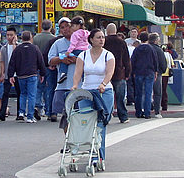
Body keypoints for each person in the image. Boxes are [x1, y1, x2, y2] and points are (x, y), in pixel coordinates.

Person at [72, 28, 115, 163]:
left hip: (104, 91)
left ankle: (99, 155)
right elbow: (78, 73)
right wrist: (75, 85)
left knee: (101, 123)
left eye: (103, 37)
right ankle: (86, 152)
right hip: (87, 91)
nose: (101, 40)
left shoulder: (108, 55)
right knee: (86, 122)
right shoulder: (83, 55)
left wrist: (103, 84)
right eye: (98, 37)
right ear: (91, 40)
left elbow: (109, 72)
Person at [8, 31, 46, 123]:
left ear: (21, 38)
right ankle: (30, 116)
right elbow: (40, 61)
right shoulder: (35, 48)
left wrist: (11, 75)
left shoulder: (17, 49)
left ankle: (21, 112)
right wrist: (42, 73)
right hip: (32, 74)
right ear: (31, 38)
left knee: (23, 94)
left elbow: (12, 62)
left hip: (21, 75)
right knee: (32, 95)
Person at [48, 17, 77, 121]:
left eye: (67, 26)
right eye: (62, 27)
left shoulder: (81, 42)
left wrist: (76, 60)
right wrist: (62, 58)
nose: (65, 29)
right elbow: (51, 60)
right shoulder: (58, 43)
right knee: (65, 115)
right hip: (63, 84)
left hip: (79, 84)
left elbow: (90, 58)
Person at [104, 23, 131, 123]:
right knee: (120, 97)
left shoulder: (104, 41)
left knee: (106, 96)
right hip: (119, 73)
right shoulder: (122, 42)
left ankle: (106, 115)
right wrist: (127, 73)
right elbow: (126, 60)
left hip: (105, 73)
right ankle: (123, 116)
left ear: (107, 31)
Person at [33, 19, 56, 119]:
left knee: (39, 87)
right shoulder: (54, 38)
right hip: (49, 66)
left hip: (38, 66)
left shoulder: (36, 38)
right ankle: (49, 110)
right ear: (51, 27)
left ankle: (37, 107)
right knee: (50, 88)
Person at [131, 31, 157, 119]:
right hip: (149, 72)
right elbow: (155, 61)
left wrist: (133, 72)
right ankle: (147, 112)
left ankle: (138, 112)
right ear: (148, 39)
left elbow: (133, 61)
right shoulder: (151, 49)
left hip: (138, 72)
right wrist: (155, 71)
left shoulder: (137, 49)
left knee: (138, 93)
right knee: (148, 93)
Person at [58, 16, 89, 84]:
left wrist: (68, 52)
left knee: (63, 57)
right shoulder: (86, 32)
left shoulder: (75, 34)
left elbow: (73, 45)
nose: (71, 28)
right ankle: (84, 77)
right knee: (84, 64)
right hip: (85, 52)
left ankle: (63, 73)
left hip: (77, 51)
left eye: (72, 26)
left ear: (77, 26)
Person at [0, 26, 20, 121]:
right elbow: (2, 61)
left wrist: (15, 43)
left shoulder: (19, 47)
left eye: (11, 35)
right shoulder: (4, 48)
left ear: (15, 36)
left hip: (17, 74)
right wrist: (2, 73)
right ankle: (2, 112)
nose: (9, 37)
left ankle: (20, 113)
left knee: (19, 93)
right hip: (8, 74)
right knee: (5, 93)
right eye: (7, 35)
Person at [148, 33, 167, 118]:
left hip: (145, 72)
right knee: (157, 92)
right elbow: (163, 62)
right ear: (156, 40)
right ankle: (156, 111)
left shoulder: (145, 48)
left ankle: (145, 109)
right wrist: (162, 71)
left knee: (146, 92)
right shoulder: (159, 50)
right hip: (157, 73)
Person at [161, 45, 175, 111]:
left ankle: (157, 103)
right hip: (166, 74)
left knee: (157, 90)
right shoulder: (169, 55)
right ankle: (164, 105)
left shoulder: (159, 54)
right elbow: (172, 65)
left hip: (159, 74)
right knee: (164, 90)